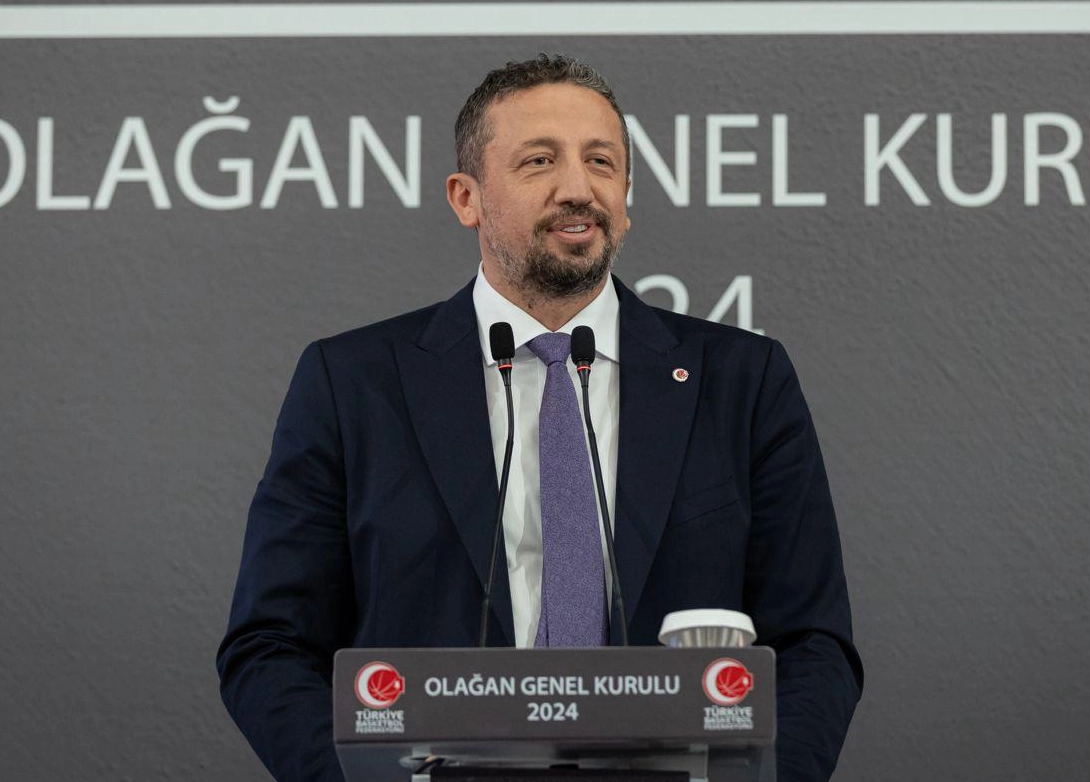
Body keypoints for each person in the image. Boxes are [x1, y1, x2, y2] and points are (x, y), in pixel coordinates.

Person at [217, 54, 862, 782]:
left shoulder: (743, 381)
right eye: (539, 161)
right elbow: (269, 645)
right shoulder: (352, 384)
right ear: (466, 198)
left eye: (601, 161)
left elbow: (813, 645)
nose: (578, 188)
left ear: (626, 197)